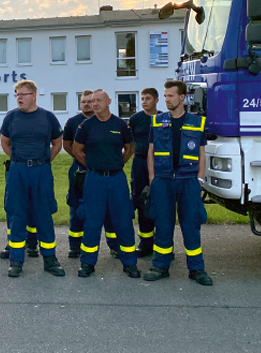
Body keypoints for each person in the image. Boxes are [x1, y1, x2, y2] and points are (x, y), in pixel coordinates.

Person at [143, 81, 213, 286]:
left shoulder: (196, 122)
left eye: (170, 96)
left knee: (191, 225)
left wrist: (199, 178)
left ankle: (197, 269)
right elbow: (151, 151)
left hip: (188, 180)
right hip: (163, 180)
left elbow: (201, 153)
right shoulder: (157, 121)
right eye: (164, 96)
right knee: (163, 224)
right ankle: (160, 266)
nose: (166, 100)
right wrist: (152, 177)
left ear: (182, 97)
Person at [1, 79, 65, 278]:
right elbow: (5, 142)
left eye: (23, 94)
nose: (19, 98)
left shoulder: (47, 117)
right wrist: (17, 159)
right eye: (17, 95)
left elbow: (57, 143)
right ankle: (16, 260)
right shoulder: (11, 117)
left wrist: (45, 160)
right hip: (18, 170)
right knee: (18, 215)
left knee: (43, 215)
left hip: (41, 171)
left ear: (34, 95)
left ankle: (50, 259)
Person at [72, 89, 140, 279]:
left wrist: (117, 164)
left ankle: (129, 263)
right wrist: (94, 166)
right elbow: (77, 150)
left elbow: (130, 148)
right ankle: (87, 263)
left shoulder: (121, 125)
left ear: (108, 101)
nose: (94, 104)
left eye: (98, 100)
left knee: (123, 222)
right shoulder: (86, 126)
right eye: (92, 101)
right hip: (94, 180)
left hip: (117, 179)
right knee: (92, 222)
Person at [63, 89, 121, 258]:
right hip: (79, 171)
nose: (87, 104)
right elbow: (68, 145)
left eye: (90, 101)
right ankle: (75, 246)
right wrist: (82, 160)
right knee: (77, 209)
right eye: (84, 102)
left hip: (104, 172)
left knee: (109, 210)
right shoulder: (73, 122)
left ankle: (114, 246)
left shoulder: (109, 122)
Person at [128, 88, 161, 257]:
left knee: (161, 203)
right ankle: (145, 242)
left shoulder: (164, 119)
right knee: (142, 201)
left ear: (156, 100)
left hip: (162, 164)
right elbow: (129, 142)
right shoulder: (135, 119)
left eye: (148, 98)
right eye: (142, 98)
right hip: (140, 163)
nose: (144, 101)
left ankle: (163, 243)